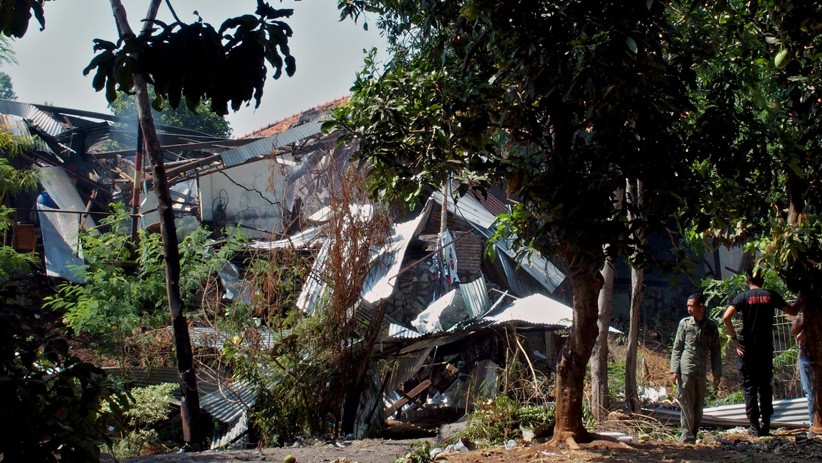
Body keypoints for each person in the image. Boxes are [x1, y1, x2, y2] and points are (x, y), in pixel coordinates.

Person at [723, 269, 802, 437]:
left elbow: (726, 317)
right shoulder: (771, 295)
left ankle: (754, 427)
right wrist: (803, 295)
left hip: (747, 349)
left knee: (750, 387)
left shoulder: (742, 297)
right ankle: (766, 425)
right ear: (763, 281)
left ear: (747, 281)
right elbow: (793, 311)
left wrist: (735, 339)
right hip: (765, 348)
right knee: (765, 387)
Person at [670, 293, 722, 444]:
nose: (688, 309)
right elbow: (677, 347)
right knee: (686, 402)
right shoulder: (685, 324)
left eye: (691, 306)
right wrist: (674, 370)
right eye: (687, 306)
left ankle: (693, 433)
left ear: (701, 306)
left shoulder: (711, 326)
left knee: (698, 404)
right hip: (687, 368)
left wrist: (717, 373)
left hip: (701, 370)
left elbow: (716, 351)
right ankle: (686, 436)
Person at [790, 310, 814, 431]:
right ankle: (813, 422)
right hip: (805, 357)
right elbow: (793, 331)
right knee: (809, 391)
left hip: (811, 357)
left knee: (810, 391)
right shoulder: (804, 317)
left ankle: (814, 423)